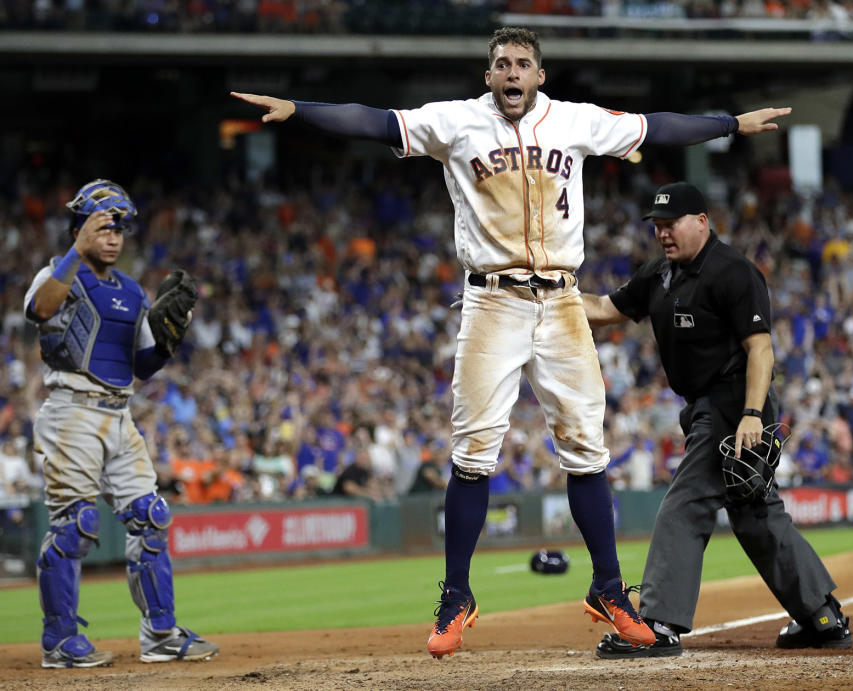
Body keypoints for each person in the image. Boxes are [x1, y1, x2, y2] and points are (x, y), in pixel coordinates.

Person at [232, 26, 791, 659]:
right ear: (489, 75)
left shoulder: (572, 120)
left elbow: (654, 127)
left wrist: (730, 124)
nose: (512, 72)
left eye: (523, 63)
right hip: (492, 300)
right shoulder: (456, 122)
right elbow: (375, 121)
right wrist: (299, 110)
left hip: (560, 299)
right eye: (502, 64)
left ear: (539, 76)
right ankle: (456, 596)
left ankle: (609, 587)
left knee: (587, 448)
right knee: (473, 450)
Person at [581, 181, 853, 658]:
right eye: (658, 226)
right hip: (705, 406)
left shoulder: (733, 271)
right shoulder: (659, 275)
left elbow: (760, 349)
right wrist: (551, 296)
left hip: (732, 404)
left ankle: (658, 624)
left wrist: (751, 413)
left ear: (702, 222)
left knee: (685, 503)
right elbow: (605, 308)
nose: (663, 234)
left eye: (672, 224)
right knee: (755, 515)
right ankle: (822, 615)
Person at [23, 180, 219, 668]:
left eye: (118, 230)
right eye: (102, 227)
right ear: (79, 229)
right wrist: (75, 250)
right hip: (71, 410)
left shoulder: (132, 292)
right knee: (75, 526)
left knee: (152, 518)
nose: (112, 237)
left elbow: (142, 366)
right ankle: (60, 642)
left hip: (118, 412)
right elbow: (39, 310)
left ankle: (160, 634)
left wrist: (170, 337)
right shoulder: (57, 273)